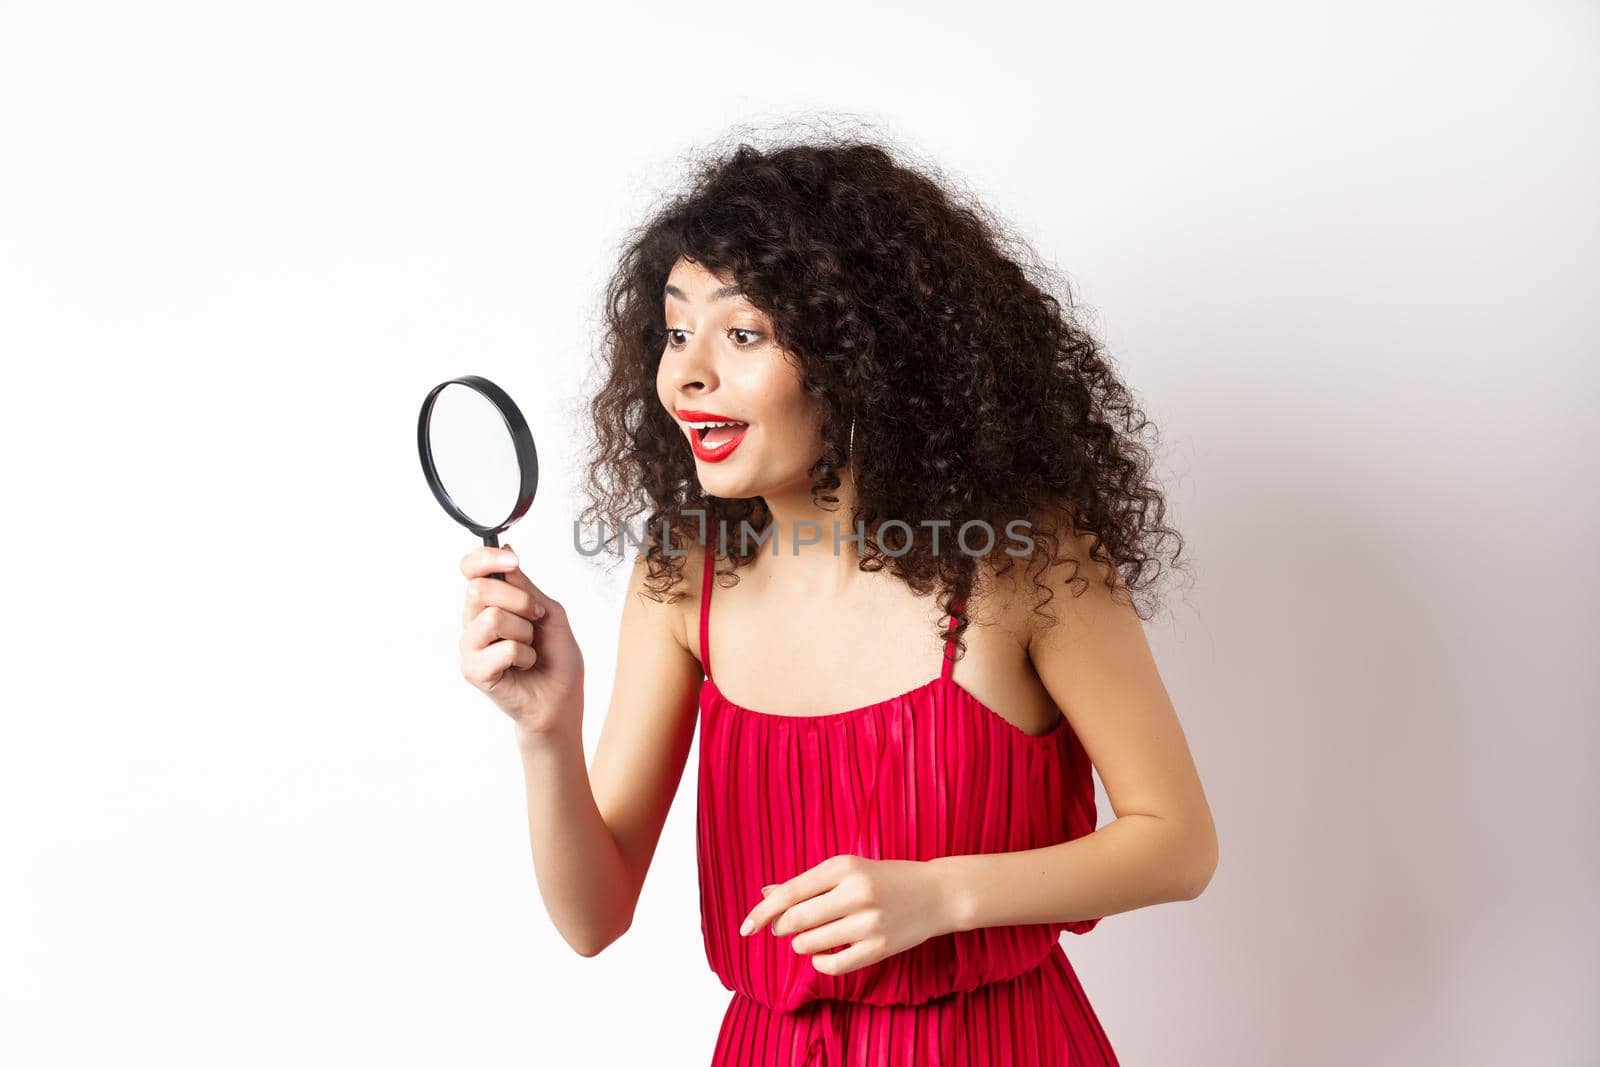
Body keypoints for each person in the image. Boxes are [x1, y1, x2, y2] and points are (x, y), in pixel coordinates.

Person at [457, 132, 1217, 1065]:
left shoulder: (1022, 562)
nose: (687, 373)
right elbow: (592, 917)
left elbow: (1178, 842)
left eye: (742, 334)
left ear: (860, 356)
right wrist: (545, 730)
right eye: (675, 329)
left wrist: (942, 896)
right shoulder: (679, 579)